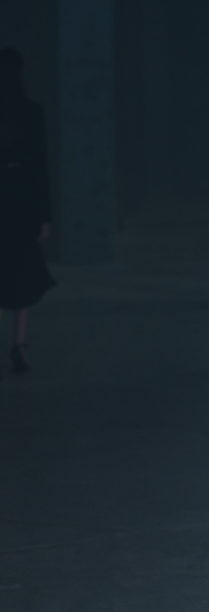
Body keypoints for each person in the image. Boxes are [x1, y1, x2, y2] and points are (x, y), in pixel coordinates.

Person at [0, 47, 55, 373]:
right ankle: (18, 346)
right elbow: (39, 167)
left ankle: (17, 348)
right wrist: (44, 214)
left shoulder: (31, 112)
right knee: (21, 272)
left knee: (15, 270)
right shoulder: (31, 112)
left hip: (14, 199)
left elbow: (40, 165)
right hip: (22, 199)